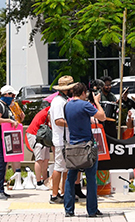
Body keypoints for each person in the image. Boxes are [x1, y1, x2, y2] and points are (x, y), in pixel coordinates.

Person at [62, 82, 106, 218]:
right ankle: (92, 210)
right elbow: (102, 116)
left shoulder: (67, 106)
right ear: (83, 93)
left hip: (72, 146)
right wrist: (97, 102)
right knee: (91, 178)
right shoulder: (85, 105)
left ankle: (69, 210)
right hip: (87, 146)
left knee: (70, 178)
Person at [49, 75, 74, 205]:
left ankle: (64, 192)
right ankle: (54, 194)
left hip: (64, 139)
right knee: (59, 167)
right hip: (61, 140)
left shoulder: (62, 100)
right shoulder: (59, 102)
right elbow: (58, 121)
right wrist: (73, 124)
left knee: (65, 168)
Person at [27, 103, 52, 188]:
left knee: (46, 159)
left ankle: (45, 180)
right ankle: (38, 182)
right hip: (35, 135)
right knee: (39, 159)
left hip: (43, 135)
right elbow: (52, 124)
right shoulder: (49, 111)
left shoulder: (49, 110)